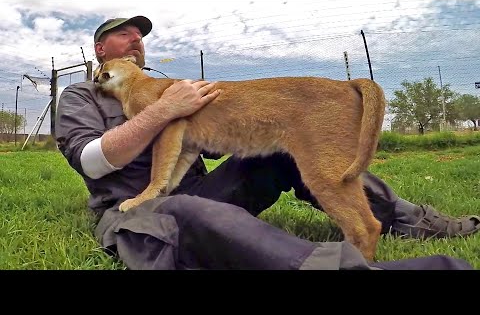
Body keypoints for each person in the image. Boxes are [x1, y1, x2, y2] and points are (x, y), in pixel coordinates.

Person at [55, 15, 479, 270]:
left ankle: (419, 222)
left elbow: (214, 145)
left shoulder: (170, 85)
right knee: (186, 209)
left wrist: (231, 116)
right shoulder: (80, 95)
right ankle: (343, 265)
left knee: (295, 152)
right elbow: (90, 162)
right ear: (100, 51)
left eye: (140, 36)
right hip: (136, 213)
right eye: (124, 35)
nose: (136, 41)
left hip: (202, 189)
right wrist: (163, 112)